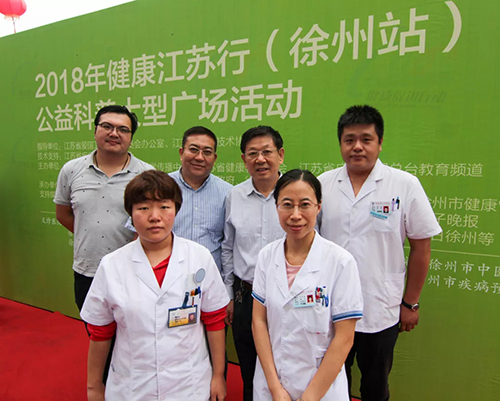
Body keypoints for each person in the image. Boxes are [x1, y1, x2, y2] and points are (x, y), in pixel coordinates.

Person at [318, 105, 442, 401]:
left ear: (380, 142)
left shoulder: (404, 184)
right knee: (332, 385)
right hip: (331, 308)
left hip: (381, 308)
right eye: (349, 140)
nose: (357, 147)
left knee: (375, 386)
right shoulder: (322, 184)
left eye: (366, 139)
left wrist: (411, 303)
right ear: (340, 143)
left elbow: (421, 247)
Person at [81, 170, 229, 401]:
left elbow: (214, 319)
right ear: (131, 213)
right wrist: (94, 386)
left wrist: (218, 375)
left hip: (188, 384)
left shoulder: (198, 257)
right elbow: (101, 331)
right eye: (143, 208)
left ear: (176, 209)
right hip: (132, 385)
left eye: (164, 206)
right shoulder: (112, 266)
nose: (154, 216)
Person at [252, 169, 363, 401]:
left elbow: (344, 338)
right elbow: (259, 322)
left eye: (304, 205)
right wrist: (275, 388)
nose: (295, 215)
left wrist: (308, 398)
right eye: (287, 205)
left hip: (321, 389)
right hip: (272, 384)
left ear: (318, 207)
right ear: (276, 207)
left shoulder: (340, 262)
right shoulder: (266, 256)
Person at [54, 105, 154, 312]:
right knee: (93, 325)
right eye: (107, 126)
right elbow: (63, 214)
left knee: (132, 326)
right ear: (95, 131)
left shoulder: (146, 174)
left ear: (131, 137)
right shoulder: (71, 170)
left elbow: (151, 223)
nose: (114, 134)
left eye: (123, 129)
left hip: (131, 270)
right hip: (87, 270)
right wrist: (90, 233)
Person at [221, 126, 285, 400]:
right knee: (248, 368)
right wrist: (228, 295)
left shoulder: (296, 193)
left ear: (280, 155)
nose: (260, 159)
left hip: (287, 296)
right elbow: (227, 247)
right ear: (244, 159)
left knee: (285, 368)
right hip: (245, 295)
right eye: (253, 153)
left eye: (267, 152)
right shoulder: (234, 196)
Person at [170, 126, 232, 272]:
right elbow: (140, 235)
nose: (199, 157)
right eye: (193, 150)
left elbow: (229, 244)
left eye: (207, 152)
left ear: (214, 158)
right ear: (181, 152)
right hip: (168, 275)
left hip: (210, 277)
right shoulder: (160, 187)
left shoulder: (228, 192)